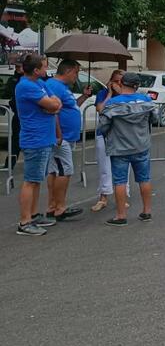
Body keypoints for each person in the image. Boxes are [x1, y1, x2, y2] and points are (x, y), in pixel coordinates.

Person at [99, 72, 156, 226]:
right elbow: (154, 118)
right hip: (141, 145)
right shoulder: (146, 100)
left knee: (120, 181)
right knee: (144, 179)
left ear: (121, 83)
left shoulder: (112, 103)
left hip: (119, 147)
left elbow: (103, 125)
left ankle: (121, 215)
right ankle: (147, 211)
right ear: (137, 85)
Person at [14, 54, 61, 236]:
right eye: (44, 67)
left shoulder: (39, 83)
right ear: (36, 70)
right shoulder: (26, 86)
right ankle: (24, 222)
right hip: (35, 139)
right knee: (31, 181)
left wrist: (52, 106)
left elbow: (56, 102)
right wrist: (52, 106)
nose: (46, 69)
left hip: (44, 138)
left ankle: (33, 214)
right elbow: (52, 105)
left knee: (36, 180)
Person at [44, 59, 88, 222]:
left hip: (66, 136)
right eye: (76, 72)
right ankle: (59, 207)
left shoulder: (62, 87)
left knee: (56, 170)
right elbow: (52, 110)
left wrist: (85, 96)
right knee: (64, 170)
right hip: (61, 137)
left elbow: (71, 106)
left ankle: (53, 206)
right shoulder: (55, 86)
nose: (77, 76)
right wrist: (58, 133)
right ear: (68, 71)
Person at [91, 69, 124, 212]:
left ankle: (122, 197)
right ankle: (103, 197)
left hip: (122, 135)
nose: (118, 84)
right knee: (104, 167)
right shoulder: (103, 94)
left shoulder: (127, 94)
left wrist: (121, 93)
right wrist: (110, 94)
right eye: (115, 81)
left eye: (121, 82)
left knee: (122, 167)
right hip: (104, 134)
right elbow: (100, 109)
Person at [3, 61, 24, 167]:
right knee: (15, 140)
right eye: (16, 67)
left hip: (26, 115)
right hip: (18, 115)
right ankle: (9, 165)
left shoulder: (28, 79)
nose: (17, 68)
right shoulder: (13, 79)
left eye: (19, 67)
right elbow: (8, 93)